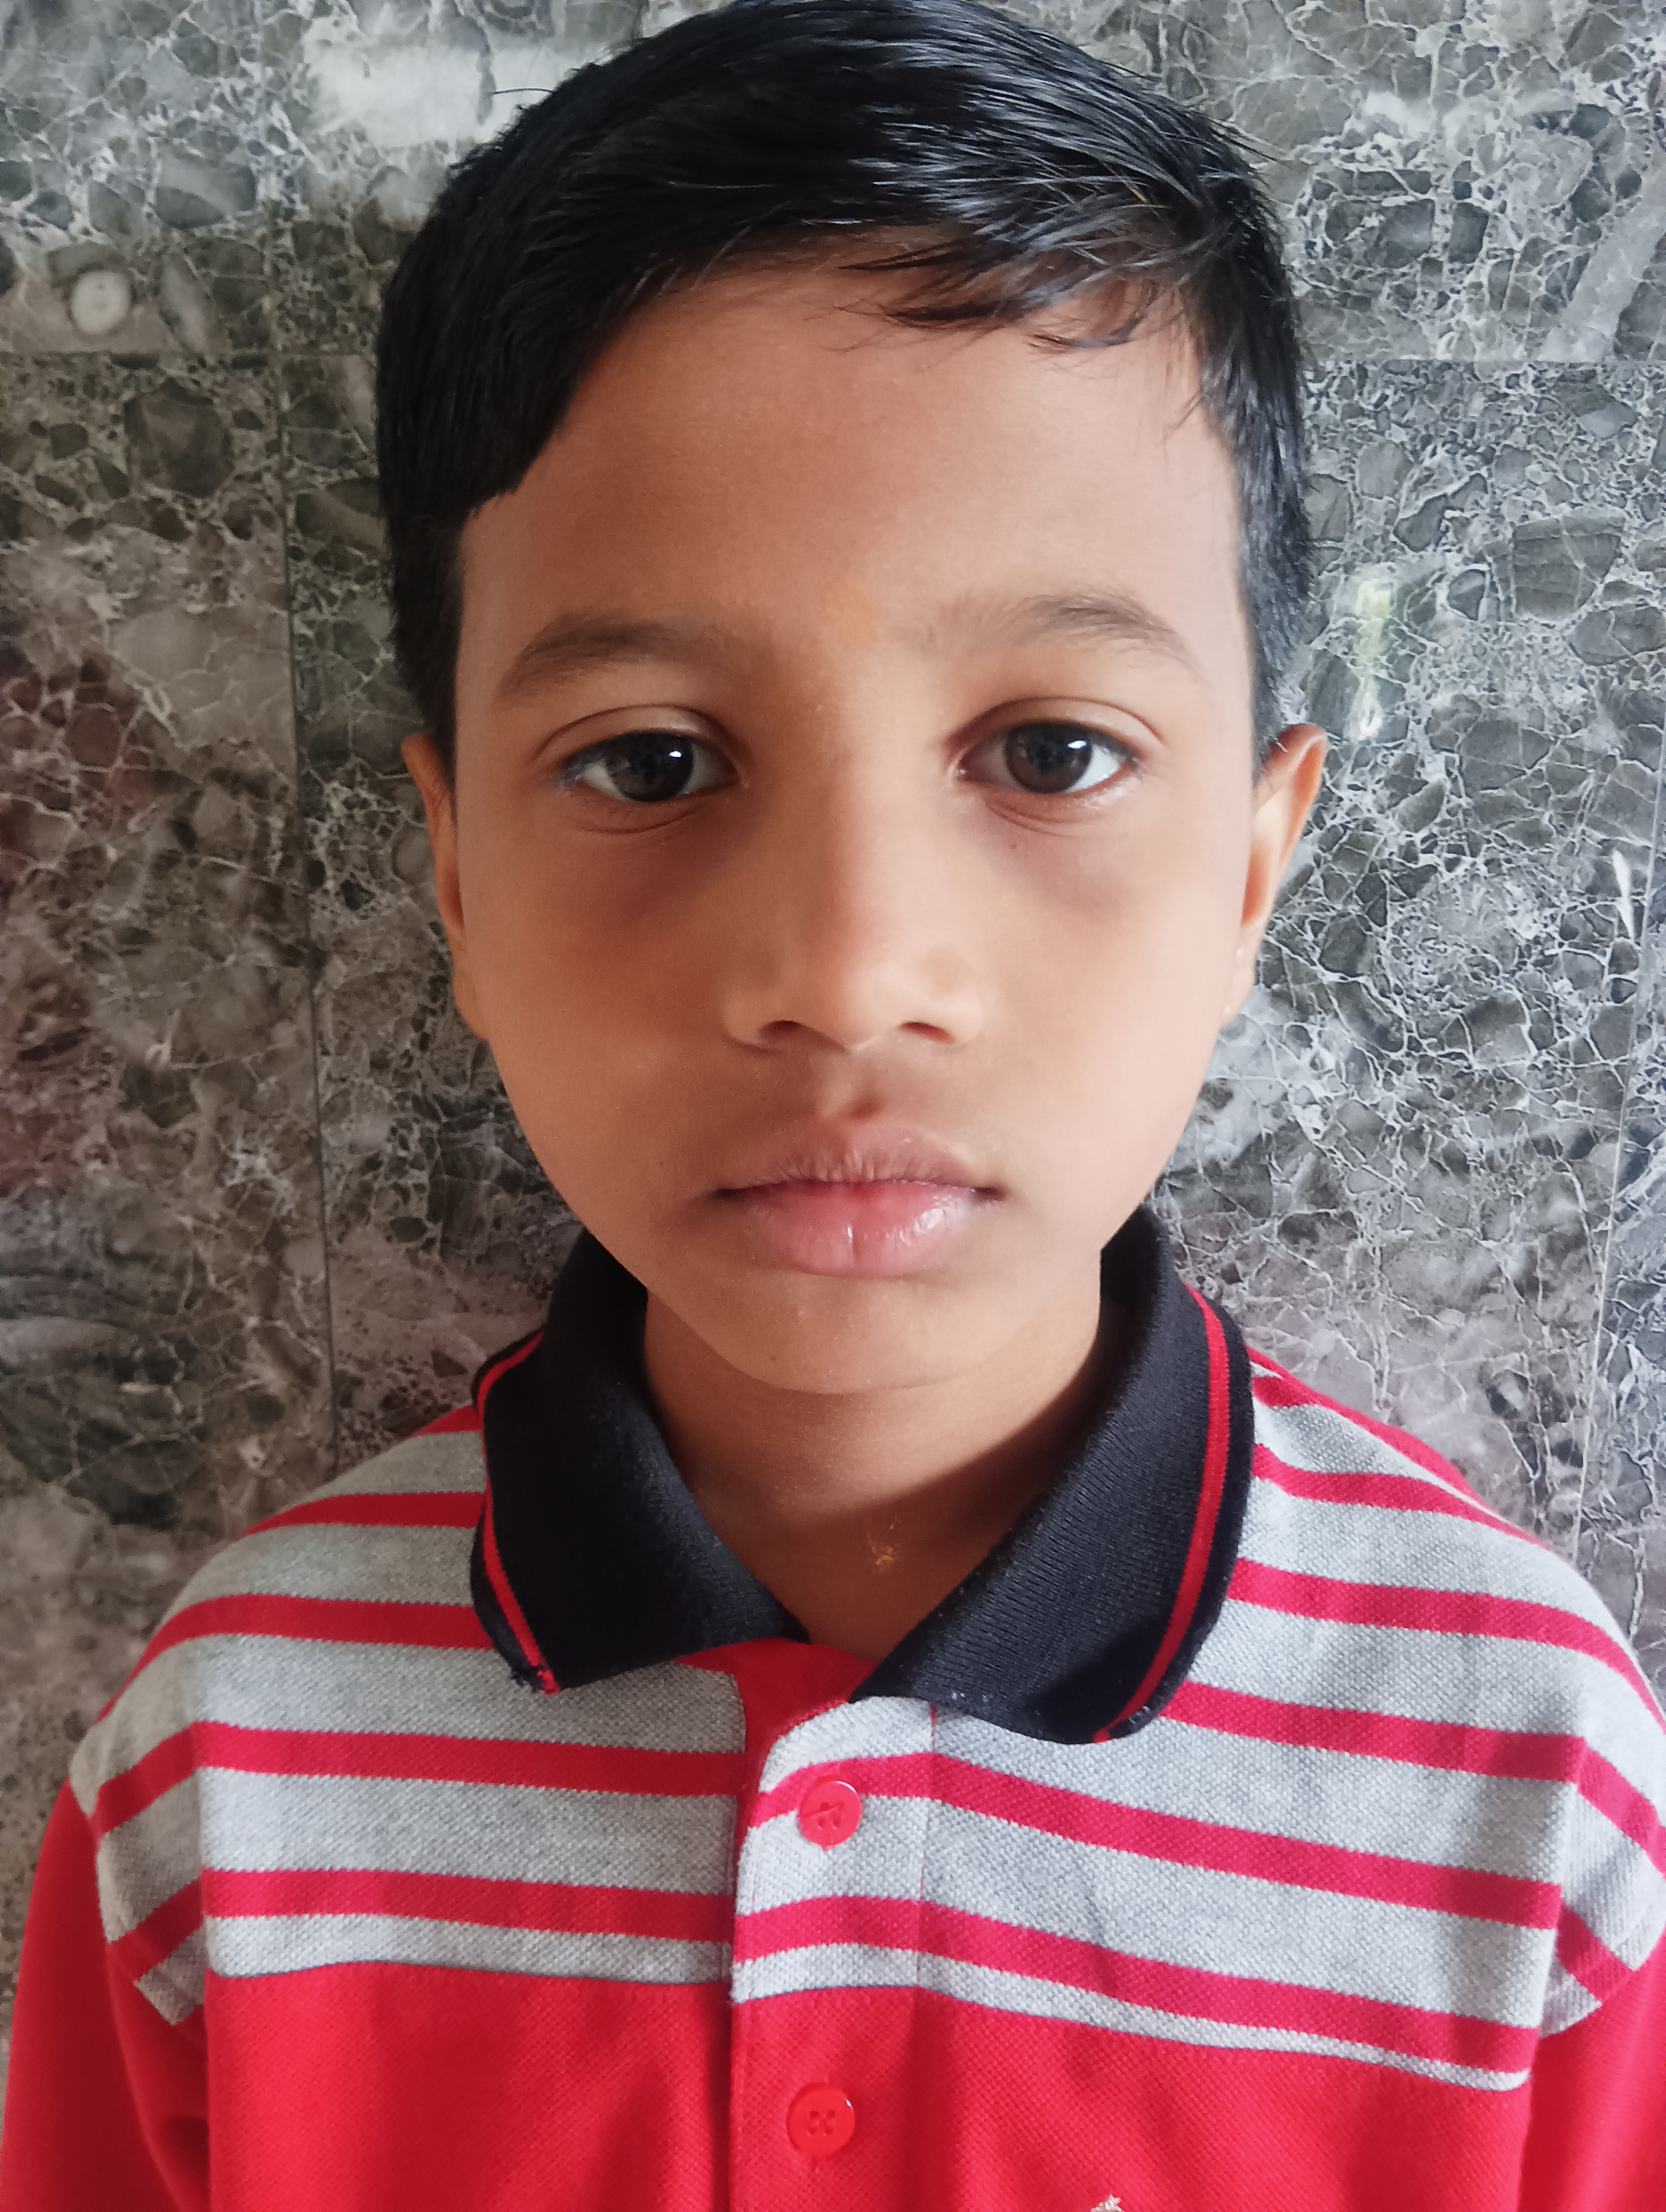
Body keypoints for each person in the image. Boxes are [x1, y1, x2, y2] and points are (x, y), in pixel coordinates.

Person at [3, 1, 1662, 2204]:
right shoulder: (226, 1786)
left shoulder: (1527, 1804)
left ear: (1255, 870)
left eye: (1053, 753)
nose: (853, 971)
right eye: (651, 762)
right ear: (458, 880)